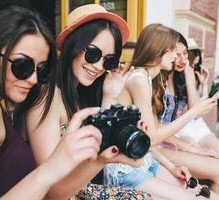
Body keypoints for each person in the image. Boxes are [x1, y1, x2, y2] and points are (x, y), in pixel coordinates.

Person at [0, 5, 107, 200]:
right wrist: (51, 168)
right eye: (23, 66)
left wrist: (100, 160)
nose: (33, 79)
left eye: (41, 70)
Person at [26, 4, 152, 199]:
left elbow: (100, 152)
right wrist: (100, 161)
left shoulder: (82, 93)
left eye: (109, 60)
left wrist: (109, 95)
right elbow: (51, 191)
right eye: (92, 54)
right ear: (72, 44)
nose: (99, 66)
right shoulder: (47, 97)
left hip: (84, 188)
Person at [103, 23, 219, 200]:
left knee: (212, 197)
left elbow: (145, 138)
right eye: (173, 50)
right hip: (126, 171)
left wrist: (172, 167)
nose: (176, 55)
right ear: (158, 50)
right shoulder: (139, 79)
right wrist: (193, 112)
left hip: (145, 161)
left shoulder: (148, 79)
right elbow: (153, 136)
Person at [158, 33, 219, 200]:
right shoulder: (158, 82)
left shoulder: (180, 78)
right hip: (163, 144)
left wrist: (188, 75)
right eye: (176, 54)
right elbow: (159, 128)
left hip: (175, 138)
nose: (181, 59)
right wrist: (194, 149)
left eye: (185, 53)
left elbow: (195, 111)